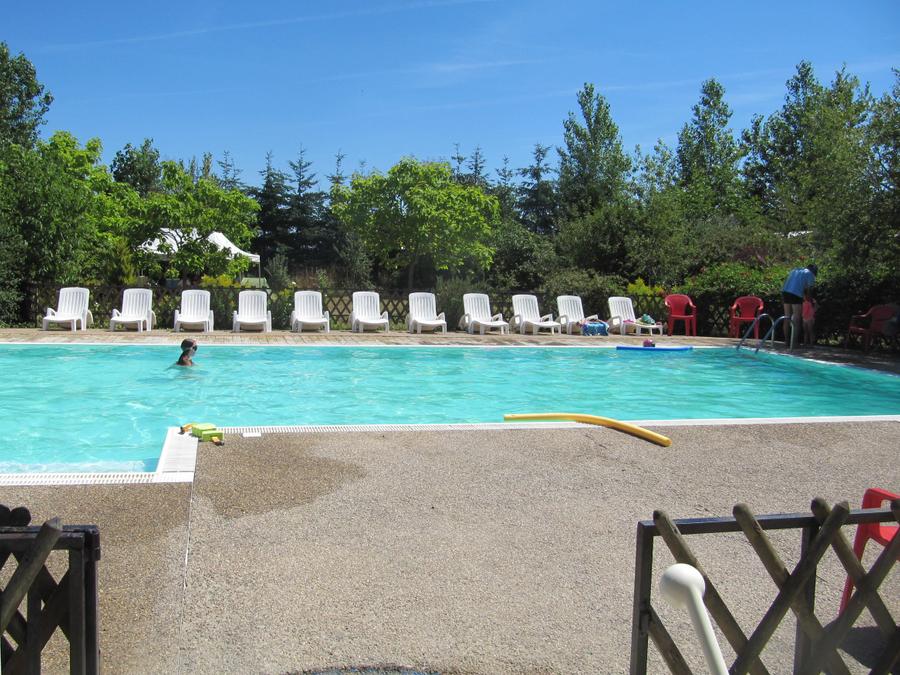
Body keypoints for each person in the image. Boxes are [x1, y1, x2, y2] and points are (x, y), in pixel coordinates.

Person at [782, 263, 817, 349]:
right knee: (797, 318)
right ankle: (794, 343)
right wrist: (811, 302)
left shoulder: (796, 270)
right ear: (814, 271)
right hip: (796, 294)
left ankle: (787, 342)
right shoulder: (810, 274)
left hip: (785, 292)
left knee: (787, 317)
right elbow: (809, 291)